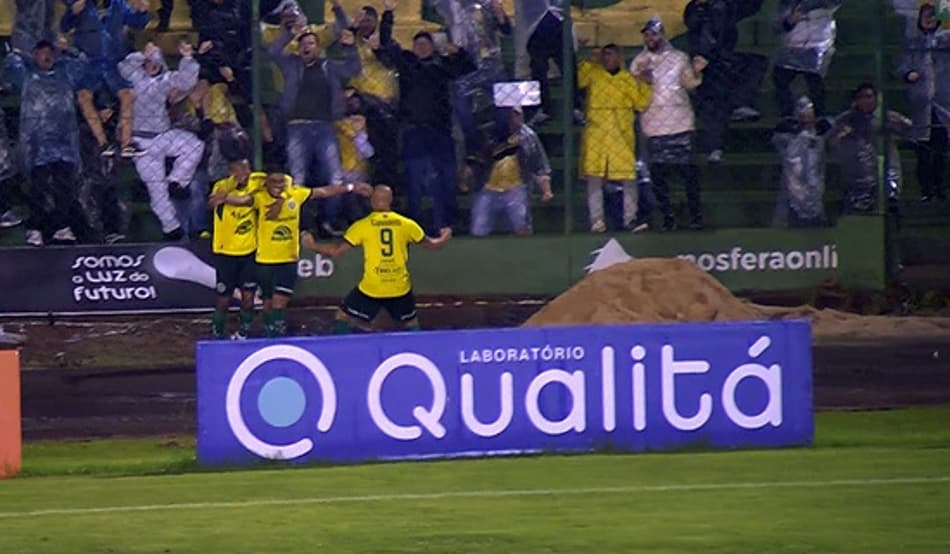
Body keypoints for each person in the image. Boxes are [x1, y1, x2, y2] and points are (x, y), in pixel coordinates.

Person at [215, 169, 371, 337]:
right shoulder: (259, 198)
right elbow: (243, 200)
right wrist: (224, 198)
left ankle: (276, 338)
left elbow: (324, 192)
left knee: (279, 305)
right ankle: (256, 334)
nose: (278, 186)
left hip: (287, 260)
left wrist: (351, 187)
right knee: (267, 304)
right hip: (264, 262)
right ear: (267, 183)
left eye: (281, 182)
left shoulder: (295, 194)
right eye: (274, 182)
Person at [302, 185, 452, 333]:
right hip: (399, 287)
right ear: (390, 201)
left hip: (372, 288)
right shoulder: (407, 224)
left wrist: (312, 245)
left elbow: (335, 252)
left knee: (342, 316)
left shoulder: (362, 226)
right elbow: (433, 245)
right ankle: (422, 351)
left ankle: (338, 351)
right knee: (411, 322)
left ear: (372, 201)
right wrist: (445, 236)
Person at [269, 19, 361, 232]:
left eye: (311, 43)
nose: (306, 47)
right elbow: (273, 51)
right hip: (296, 127)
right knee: (297, 179)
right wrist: (288, 32)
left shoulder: (329, 67)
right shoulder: (292, 64)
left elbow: (353, 69)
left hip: (324, 127)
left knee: (334, 177)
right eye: (303, 44)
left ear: (318, 48)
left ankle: (327, 221)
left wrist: (349, 46)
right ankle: (298, 224)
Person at [381, 30, 476, 233]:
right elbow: (387, 44)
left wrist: (458, 51)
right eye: (418, 44)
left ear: (433, 47)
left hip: (440, 132)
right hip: (413, 132)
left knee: (446, 179)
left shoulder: (442, 66)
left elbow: (469, 67)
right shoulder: (407, 64)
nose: (422, 48)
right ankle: (414, 226)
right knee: (414, 180)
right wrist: (388, 14)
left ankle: (446, 224)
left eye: (426, 44)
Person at [4, 39, 88, 246]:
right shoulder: (26, 76)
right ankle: (35, 228)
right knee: (38, 189)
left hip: (64, 143)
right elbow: (9, 64)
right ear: (34, 56)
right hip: (36, 145)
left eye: (50, 52)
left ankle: (61, 227)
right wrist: (20, 52)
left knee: (65, 189)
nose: (46, 56)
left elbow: (83, 62)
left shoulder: (65, 74)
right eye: (41, 53)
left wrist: (69, 48)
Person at [119, 40, 205, 241]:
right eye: (150, 61)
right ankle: (171, 227)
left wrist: (187, 58)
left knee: (194, 144)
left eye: (156, 61)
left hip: (164, 135)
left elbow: (186, 81)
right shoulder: (134, 77)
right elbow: (123, 67)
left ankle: (177, 180)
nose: (153, 64)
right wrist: (142, 54)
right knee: (156, 188)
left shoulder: (166, 79)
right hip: (141, 143)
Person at [630, 16, 706, 231]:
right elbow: (633, 94)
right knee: (659, 177)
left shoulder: (679, 58)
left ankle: (695, 216)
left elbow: (689, 83)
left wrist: (697, 70)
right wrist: (641, 81)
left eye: (654, 33)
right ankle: (667, 216)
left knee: (688, 174)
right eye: (647, 34)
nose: (650, 38)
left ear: (662, 35)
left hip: (680, 123)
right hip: (654, 125)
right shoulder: (639, 62)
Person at [61, 0, 151, 158]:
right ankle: (103, 143)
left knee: (127, 95)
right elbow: (65, 26)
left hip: (113, 64)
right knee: (83, 97)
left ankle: (126, 143)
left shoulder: (119, 5)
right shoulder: (83, 6)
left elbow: (137, 23)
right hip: (89, 64)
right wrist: (72, 12)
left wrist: (142, 12)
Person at [579, 44, 653, 233]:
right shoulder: (594, 73)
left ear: (619, 57)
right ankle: (596, 220)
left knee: (628, 178)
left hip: (621, 134)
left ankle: (630, 219)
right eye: (604, 54)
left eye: (610, 54)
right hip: (598, 132)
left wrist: (645, 84)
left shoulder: (628, 79)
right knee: (594, 178)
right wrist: (589, 60)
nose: (606, 58)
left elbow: (641, 103)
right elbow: (579, 80)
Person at [684, 0, 767, 162]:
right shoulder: (697, 11)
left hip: (725, 61)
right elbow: (697, 31)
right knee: (715, 103)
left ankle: (740, 104)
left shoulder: (725, 6)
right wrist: (701, 58)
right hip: (706, 67)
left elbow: (748, 7)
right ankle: (713, 147)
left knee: (757, 63)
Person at [430, 0, 512, 161]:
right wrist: (447, 46)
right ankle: (473, 147)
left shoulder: (488, 4)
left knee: (506, 99)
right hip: (462, 63)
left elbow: (506, 30)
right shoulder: (447, 5)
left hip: (490, 62)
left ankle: (501, 140)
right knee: (462, 110)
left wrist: (500, 15)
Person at [829, 83, 912, 214]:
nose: (866, 101)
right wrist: (843, 135)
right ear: (856, 100)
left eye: (869, 97)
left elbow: (909, 130)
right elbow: (831, 142)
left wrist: (897, 126)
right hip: (858, 173)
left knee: (890, 201)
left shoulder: (887, 116)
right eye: (861, 97)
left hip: (886, 166)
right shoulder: (846, 119)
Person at [470, 106, 553, 236]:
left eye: (516, 115)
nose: (513, 119)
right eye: (509, 115)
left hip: (516, 188)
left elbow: (539, 165)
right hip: (488, 188)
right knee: (478, 228)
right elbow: (476, 159)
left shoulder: (528, 136)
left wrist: (546, 190)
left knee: (521, 224)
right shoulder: (488, 133)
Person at [900, 2, 949, 202]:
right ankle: (926, 190)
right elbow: (902, 65)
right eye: (925, 16)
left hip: (944, 102)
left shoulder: (945, 41)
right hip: (921, 103)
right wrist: (908, 73)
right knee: (923, 150)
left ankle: (938, 188)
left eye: (932, 16)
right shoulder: (913, 43)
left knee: (940, 148)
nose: (928, 20)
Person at [207, 159, 259, 340]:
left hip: (249, 252)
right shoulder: (221, 185)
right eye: (239, 168)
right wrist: (231, 185)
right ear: (231, 171)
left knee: (248, 297)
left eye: (247, 167)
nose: (245, 172)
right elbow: (213, 203)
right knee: (224, 298)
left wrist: (227, 198)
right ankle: (217, 331)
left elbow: (247, 201)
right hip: (225, 253)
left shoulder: (256, 185)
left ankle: (244, 331)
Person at [514, 0, 582, 126]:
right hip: (535, 24)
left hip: (557, 20)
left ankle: (574, 108)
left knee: (568, 64)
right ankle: (541, 110)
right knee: (538, 68)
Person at [773, 0, 843, 120]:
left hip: (817, 50)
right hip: (792, 48)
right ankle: (787, 116)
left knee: (815, 84)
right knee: (781, 79)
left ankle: (820, 117)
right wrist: (790, 21)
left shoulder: (826, 4)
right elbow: (779, 26)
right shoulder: (788, 4)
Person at [772, 96, 828, 227]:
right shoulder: (786, 135)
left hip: (815, 184)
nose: (806, 112)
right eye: (801, 108)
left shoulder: (821, 132)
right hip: (793, 189)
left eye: (809, 108)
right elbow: (778, 141)